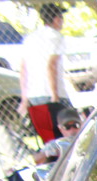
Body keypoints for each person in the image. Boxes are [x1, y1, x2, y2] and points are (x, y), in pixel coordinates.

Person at [19, 3, 70, 143]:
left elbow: (24, 68)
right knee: (66, 137)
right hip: (52, 93)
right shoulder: (56, 37)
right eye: (61, 17)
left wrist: (24, 98)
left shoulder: (30, 38)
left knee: (49, 140)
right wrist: (55, 96)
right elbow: (51, 65)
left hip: (34, 94)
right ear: (56, 19)